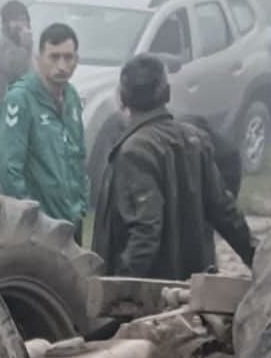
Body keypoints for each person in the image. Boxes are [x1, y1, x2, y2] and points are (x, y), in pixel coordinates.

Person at [92, 54, 255, 281]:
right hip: (194, 291)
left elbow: (146, 230)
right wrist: (257, 259)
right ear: (167, 94)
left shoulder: (133, 152)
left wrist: (119, 287)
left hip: (149, 297)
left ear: (121, 98)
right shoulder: (195, 139)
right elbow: (226, 212)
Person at [0, 23, 88, 240]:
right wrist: (30, 216)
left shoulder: (72, 97)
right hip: (38, 226)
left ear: (77, 60)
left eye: (68, 58)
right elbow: (8, 167)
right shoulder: (20, 99)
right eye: (54, 57)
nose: (62, 66)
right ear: (39, 58)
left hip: (71, 219)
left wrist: (82, 203)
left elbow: (79, 154)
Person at [0, 0, 34, 128]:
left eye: (23, 20)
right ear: (6, 23)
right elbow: (18, 70)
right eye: (14, 20)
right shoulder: (1, 44)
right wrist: (27, 47)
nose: (20, 25)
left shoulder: (19, 43)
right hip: (6, 117)